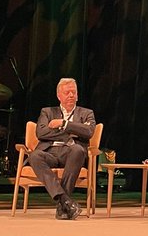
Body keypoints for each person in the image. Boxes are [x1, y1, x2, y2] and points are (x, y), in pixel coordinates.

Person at [27, 77, 97, 220]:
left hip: (70, 153)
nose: (71, 95)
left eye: (74, 92)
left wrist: (64, 124)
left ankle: (63, 204)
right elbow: (41, 133)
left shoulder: (86, 113)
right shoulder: (47, 112)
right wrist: (70, 132)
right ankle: (65, 201)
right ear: (59, 96)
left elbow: (89, 132)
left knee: (78, 150)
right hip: (50, 152)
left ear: (77, 95)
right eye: (67, 92)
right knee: (34, 156)